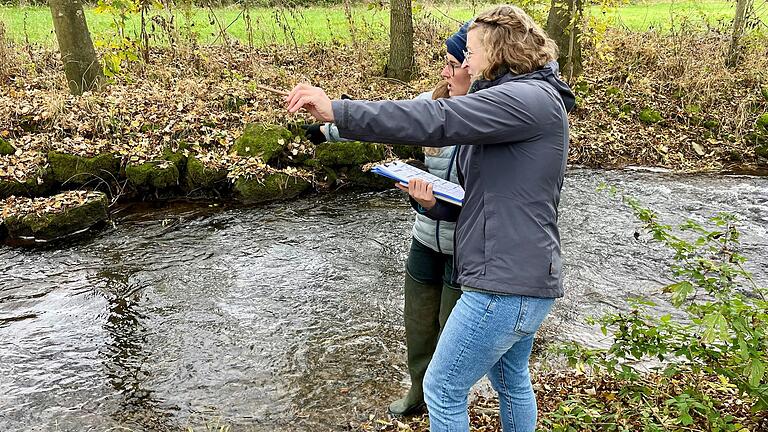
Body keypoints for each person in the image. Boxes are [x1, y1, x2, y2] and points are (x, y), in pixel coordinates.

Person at [285, 5, 575, 431]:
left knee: (442, 389)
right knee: (511, 380)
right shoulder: (528, 97)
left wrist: (340, 112)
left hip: (504, 283)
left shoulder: (523, 99)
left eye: (471, 52)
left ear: (496, 51)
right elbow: (480, 196)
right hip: (521, 275)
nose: (464, 62)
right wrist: (433, 204)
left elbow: (436, 120)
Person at [301, 23, 473, 417]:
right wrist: (329, 128)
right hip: (425, 239)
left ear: (475, 67)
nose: (444, 72)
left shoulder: (487, 114)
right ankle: (418, 391)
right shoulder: (432, 100)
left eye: (452, 64)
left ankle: (444, 400)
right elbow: (387, 117)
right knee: (418, 323)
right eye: (444, 63)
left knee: (450, 335)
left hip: (466, 249)